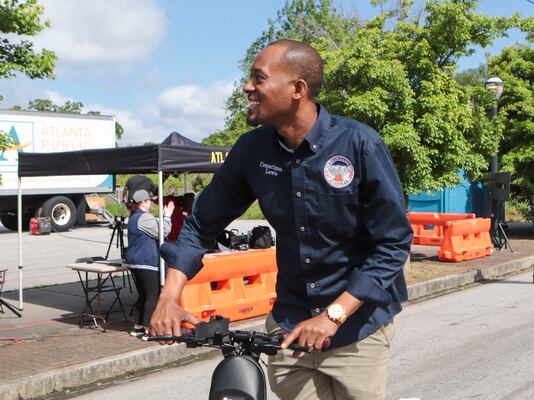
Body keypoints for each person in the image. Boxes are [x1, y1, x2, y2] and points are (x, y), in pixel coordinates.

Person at [151, 39, 412, 400]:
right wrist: (169, 294)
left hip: (357, 332)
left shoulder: (360, 146)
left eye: (259, 78)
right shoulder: (252, 150)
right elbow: (201, 224)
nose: (247, 87)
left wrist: (331, 316)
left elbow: (393, 244)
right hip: (289, 331)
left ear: (297, 89)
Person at [125, 185, 174, 337]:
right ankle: (149, 329)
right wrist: (167, 216)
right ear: (143, 202)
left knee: (144, 295)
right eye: (149, 201)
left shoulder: (133, 217)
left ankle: (138, 326)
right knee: (153, 295)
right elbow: (163, 232)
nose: (151, 204)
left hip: (135, 261)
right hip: (146, 262)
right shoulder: (144, 217)